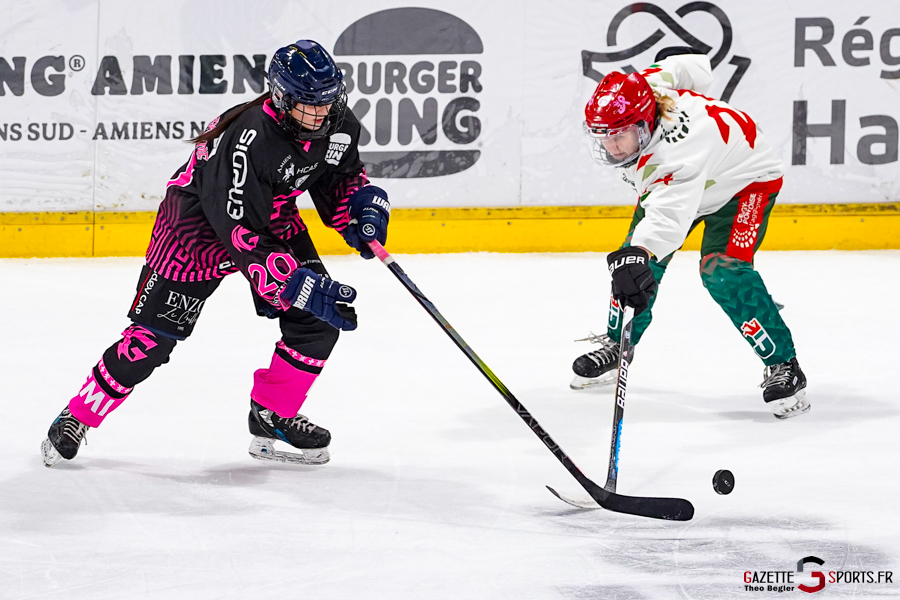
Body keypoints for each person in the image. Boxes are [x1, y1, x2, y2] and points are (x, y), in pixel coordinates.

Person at [41, 40, 392, 466]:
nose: (320, 114)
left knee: (317, 319)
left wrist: (361, 209)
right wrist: (296, 283)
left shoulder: (336, 124)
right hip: (195, 229)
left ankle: (272, 415)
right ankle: (77, 414)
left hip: (270, 216)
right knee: (153, 340)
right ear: (281, 98)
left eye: (328, 101)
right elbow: (237, 230)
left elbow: (340, 180)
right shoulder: (248, 138)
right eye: (308, 105)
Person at [570, 50, 809, 419]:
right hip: (697, 176)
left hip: (744, 182)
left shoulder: (675, 158)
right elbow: (692, 67)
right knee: (629, 264)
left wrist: (642, 252)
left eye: (620, 135)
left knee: (722, 271)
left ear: (645, 124)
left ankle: (785, 366)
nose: (611, 146)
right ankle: (620, 344)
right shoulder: (645, 90)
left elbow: (667, 218)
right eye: (604, 136)